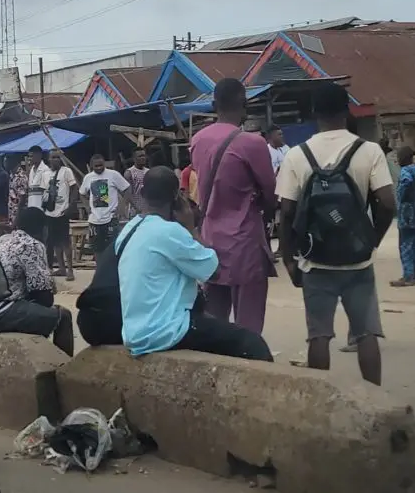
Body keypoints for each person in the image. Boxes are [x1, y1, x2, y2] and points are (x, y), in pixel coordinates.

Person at [276, 82, 396, 386]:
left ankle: (322, 405)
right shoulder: (369, 151)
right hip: (357, 260)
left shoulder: (296, 155)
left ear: (314, 113)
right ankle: (375, 404)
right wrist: (372, 239)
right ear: (347, 110)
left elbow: (286, 212)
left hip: (315, 261)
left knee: (318, 336)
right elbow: (388, 204)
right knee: (366, 333)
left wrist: (290, 260)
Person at [117, 166, 273, 361]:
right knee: (252, 343)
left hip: (134, 332)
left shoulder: (129, 229)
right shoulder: (170, 232)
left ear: (142, 193)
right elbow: (214, 271)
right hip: (166, 330)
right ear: (176, 197)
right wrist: (190, 228)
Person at [190, 78, 276, 335]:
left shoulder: (197, 140)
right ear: (244, 103)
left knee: (214, 320)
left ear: (214, 104)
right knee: (248, 325)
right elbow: (271, 195)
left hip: (210, 240)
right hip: (244, 242)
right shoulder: (253, 143)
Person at [0, 207, 74, 356]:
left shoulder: (1, 240)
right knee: (62, 316)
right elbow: (45, 297)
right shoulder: (31, 244)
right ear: (44, 229)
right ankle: (63, 369)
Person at [78, 154, 131, 257]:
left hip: (111, 218)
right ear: (92, 166)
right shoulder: (88, 177)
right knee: (97, 249)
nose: (99, 168)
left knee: (113, 248)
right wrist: (87, 208)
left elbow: (127, 189)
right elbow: (82, 193)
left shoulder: (113, 175)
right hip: (95, 220)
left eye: (101, 165)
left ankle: (112, 272)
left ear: (104, 164)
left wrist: (122, 206)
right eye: (96, 166)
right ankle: (100, 271)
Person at [392, 146, 415, 288]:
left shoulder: (405, 172)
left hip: (407, 212)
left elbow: (404, 186)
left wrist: (399, 199)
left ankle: (408, 276)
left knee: (405, 244)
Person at [44, 150, 77, 281]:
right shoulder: (45, 174)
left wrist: (71, 205)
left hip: (62, 211)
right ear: (49, 159)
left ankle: (70, 270)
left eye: (58, 157)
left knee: (65, 242)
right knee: (55, 241)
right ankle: (62, 268)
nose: (56, 160)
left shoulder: (66, 171)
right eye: (53, 157)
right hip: (49, 212)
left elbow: (74, 188)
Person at [24, 146, 53, 240]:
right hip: (32, 210)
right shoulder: (31, 170)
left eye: (32, 156)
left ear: (39, 155)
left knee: (42, 238)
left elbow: (48, 193)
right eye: (29, 156)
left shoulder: (45, 170)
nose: (29, 158)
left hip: (41, 211)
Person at [123, 148, 150, 222]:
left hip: (148, 208)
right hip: (135, 210)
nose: (143, 158)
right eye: (140, 156)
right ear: (134, 158)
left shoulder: (149, 172)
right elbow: (128, 194)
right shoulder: (129, 173)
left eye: (144, 156)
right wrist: (137, 208)